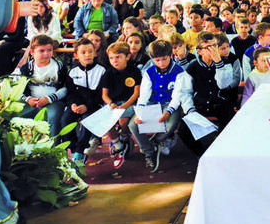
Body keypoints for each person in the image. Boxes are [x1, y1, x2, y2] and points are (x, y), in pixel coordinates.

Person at [130, 40, 186, 172]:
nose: (161, 63)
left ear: (171, 55)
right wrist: (140, 113)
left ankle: (156, 140)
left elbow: (177, 95)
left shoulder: (179, 71)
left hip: (169, 104)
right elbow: (144, 93)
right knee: (133, 124)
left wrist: (169, 112)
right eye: (157, 60)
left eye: (164, 59)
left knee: (170, 125)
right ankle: (149, 151)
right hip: (152, 103)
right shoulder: (149, 72)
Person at [177, 32, 236, 156]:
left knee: (231, 125)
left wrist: (219, 63)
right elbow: (185, 92)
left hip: (220, 104)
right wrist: (190, 110)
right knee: (183, 130)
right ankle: (202, 154)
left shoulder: (225, 62)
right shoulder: (192, 67)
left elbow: (224, 84)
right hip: (200, 105)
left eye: (215, 46)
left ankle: (223, 153)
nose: (213, 50)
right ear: (199, 51)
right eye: (208, 48)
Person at [61, 37, 107, 166]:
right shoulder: (72, 72)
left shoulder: (102, 70)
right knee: (65, 120)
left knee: (88, 121)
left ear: (95, 53)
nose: (87, 55)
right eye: (83, 52)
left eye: (90, 51)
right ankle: (72, 150)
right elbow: (71, 93)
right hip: (77, 104)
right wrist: (73, 105)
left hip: (93, 105)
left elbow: (100, 95)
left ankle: (80, 153)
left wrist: (87, 106)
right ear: (76, 55)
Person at [100, 41, 142, 169]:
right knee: (106, 121)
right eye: (111, 58)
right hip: (114, 103)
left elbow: (136, 93)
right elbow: (104, 95)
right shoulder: (108, 73)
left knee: (124, 120)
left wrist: (125, 106)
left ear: (127, 57)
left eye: (118, 57)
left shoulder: (134, 71)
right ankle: (117, 143)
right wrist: (111, 103)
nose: (114, 61)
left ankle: (124, 137)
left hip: (129, 102)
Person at [19, 34, 70, 136]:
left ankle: (51, 146)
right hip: (31, 101)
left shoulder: (59, 67)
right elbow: (17, 89)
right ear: (32, 52)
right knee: (17, 115)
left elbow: (65, 88)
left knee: (52, 116)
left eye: (49, 50)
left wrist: (49, 98)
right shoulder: (25, 69)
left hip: (54, 101)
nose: (46, 54)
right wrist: (28, 99)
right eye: (42, 51)